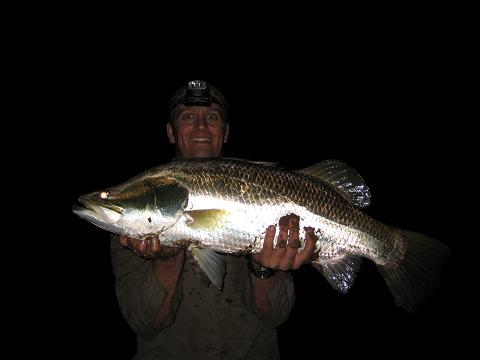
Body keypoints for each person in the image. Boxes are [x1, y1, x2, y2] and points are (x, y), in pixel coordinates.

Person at [110, 80, 318, 359]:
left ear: (225, 131)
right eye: (187, 117)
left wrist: (263, 269)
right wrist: (168, 259)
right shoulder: (132, 227)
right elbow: (144, 323)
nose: (200, 127)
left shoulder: (258, 189)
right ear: (171, 132)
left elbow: (276, 317)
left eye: (212, 117)